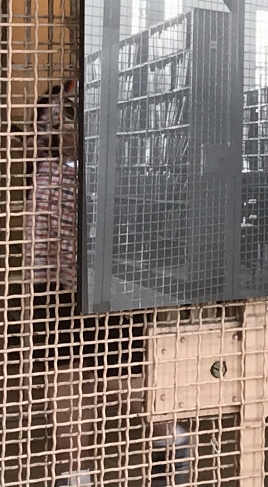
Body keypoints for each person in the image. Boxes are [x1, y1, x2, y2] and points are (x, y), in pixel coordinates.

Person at [21, 81, 191, 486]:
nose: (57, 127)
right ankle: (75, 473)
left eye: (66, 117)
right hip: (55, 290)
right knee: (65, 381)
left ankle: (171, 440)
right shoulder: (44, 170)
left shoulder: (110, 168)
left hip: (107, 287)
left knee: (127, 379)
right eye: (50, 120)